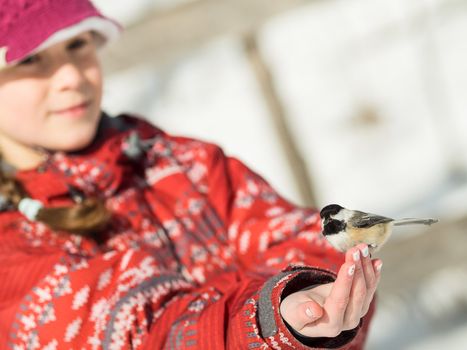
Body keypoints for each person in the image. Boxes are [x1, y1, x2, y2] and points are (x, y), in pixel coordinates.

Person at [0, 0, 382, 349]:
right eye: (30, 60)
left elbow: (302, 239)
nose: (70, 75)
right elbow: (145, 338)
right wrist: (266, 320)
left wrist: (305, 297)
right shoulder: (11, 249)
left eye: (77, 45)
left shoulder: (181, 163)